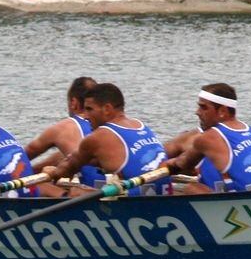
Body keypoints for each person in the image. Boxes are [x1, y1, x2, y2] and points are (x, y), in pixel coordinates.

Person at [38, 82, 168, 195]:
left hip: (138, 202)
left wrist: (53, 172)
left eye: (89, 109)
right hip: (165, 194)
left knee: (75, 192)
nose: (86, 116)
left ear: (107, 109)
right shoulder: (139, 125)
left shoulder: (98, 137)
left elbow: (67, 168)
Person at [163, 83, 251, 193]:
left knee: (192, 188)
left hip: (240, 200)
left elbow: (183, 163)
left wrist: (168, 165)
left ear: (222, 111)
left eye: (203, 107)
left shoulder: (207, 138)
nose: (197, 112)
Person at [23, 76, 104, 190]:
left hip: (94, 192)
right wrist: (35, 170)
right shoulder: (108, 122)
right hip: (118, 187)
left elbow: (20, 158)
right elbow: (64, 156)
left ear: (73, 103)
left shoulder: (63, 127)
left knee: (42, 185)